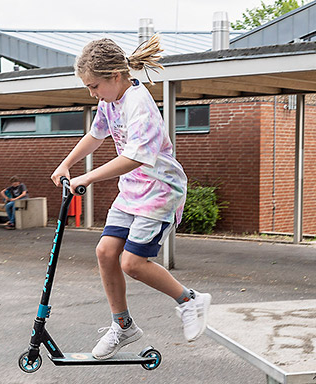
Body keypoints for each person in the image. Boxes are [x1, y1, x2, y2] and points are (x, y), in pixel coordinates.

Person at [50, 34, 211, 360]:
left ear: (115, 76)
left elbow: (136, 157)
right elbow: (96, 134)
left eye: (94, 86)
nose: (92, 93)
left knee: (133, 263)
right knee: (106, 252)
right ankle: (123, 326)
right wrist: (67, 163)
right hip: (133, 190)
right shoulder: (109, 101)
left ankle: (190, 300)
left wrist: (87, 177)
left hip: (160, 190)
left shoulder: (140, 106)